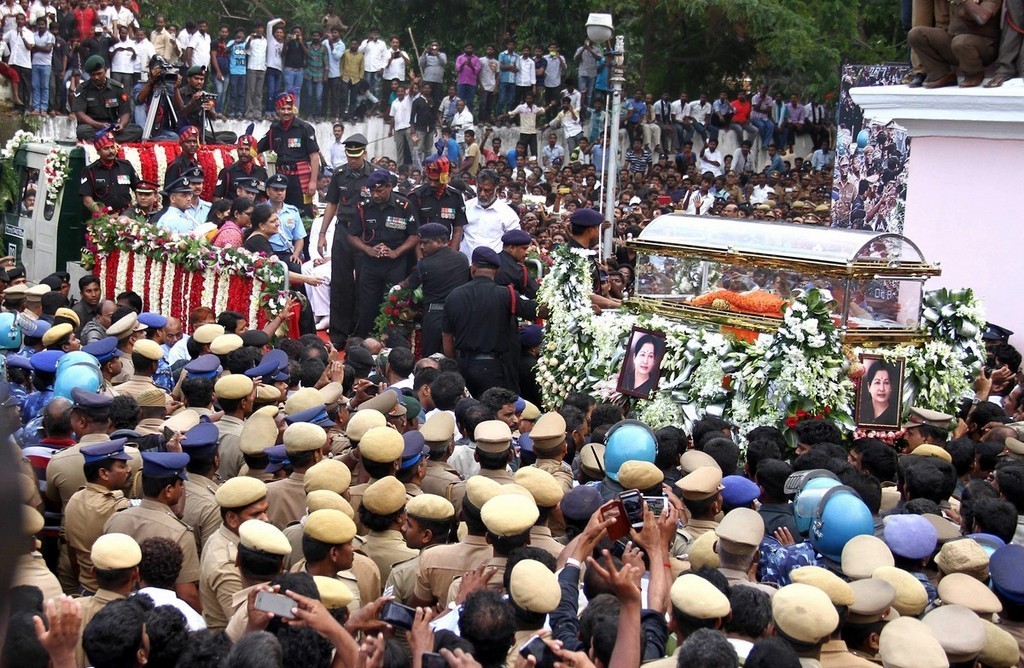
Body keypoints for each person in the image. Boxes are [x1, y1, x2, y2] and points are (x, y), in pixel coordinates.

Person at [443, 246, 537, 396]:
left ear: (473, 267)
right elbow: (535, 311)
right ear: (497, 270)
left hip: (464, 366)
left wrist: (454, 366)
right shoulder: (507, 295)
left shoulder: (454, 296)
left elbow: (447, 337)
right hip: (494, 368)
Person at [348, 169, 419, 337]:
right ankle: (366, 341)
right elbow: (351, 236)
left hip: (395, 263)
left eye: (379, 190)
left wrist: (396, 252)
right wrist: (367, 249)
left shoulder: (404, 206)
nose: (375, 195)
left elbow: (415, 235)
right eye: (372, 190)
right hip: (370, 263)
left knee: (394, 305)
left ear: (389, 187)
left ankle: (392, 340)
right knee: (368, 306)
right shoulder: (363, 207)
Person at [321, 132, 375, 346]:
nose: (353, 160)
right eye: (349, 156)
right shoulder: (339, 174)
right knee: (340, 282)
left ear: (364, 153)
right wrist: (322, 233)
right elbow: (332, 204)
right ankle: (338, 334)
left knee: (364, 282)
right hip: (343, 230)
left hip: (365, 233)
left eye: (357, 156)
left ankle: (360, 331)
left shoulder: (375, 175)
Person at [397, 223, 470, 357]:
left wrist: (397, 288)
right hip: (459, 315)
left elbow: (408, 285)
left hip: (435, 316)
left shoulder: (425, 264)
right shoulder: (462, 259)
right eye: (420, 243)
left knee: (431, 357)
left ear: (439, 242)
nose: (421, 247)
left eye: (425, 243)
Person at [907, 0, 1000, 88]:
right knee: (916, 34)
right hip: (956, 41)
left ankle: (974, 74)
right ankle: (941, 74)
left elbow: (983, 17)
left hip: (984, 45)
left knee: (960, 42)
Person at [256, 92, 320, 215]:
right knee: (280, 211)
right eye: (283, 109)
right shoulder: (274, 129)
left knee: (303, 213)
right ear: (277, 110)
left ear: (293, 109)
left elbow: (314, 156)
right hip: (281, 177)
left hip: (300, 179)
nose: (286, 112)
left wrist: (313, 182)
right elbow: (257, 148)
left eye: (289, 109)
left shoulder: (305, 128)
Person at [73, 54, 141, 141]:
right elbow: (80, 114)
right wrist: (98, 125)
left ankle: (102, 141)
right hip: (92, 126)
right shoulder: (82, 89)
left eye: (99, 73)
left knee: (137, 130)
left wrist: (121, 125)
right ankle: (110, 140)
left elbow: (126, 112)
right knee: (82, 131)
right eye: (93, 75)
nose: (96, 77)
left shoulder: (118, 88)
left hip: (112, 126)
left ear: (105, 70)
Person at [79, 127, 138, 214]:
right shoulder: (90, 171)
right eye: (106, 148)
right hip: (103, 217)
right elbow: (87, 200)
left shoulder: (126, 166)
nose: (111, 151)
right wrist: (103, 216)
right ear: (98, 152)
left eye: (112, 147)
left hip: (126, 215)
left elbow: (138, 188)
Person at [619, 332, 664, 397]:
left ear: (654, 360)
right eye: (642, 355)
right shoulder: (623, 380)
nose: (645, 361)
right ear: (634, 357)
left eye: (650, 356)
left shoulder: (655, 387)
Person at [858, 360, 899, 427]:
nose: (881, 389)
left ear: (891, 386)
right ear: (869, 387)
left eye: (886, 383)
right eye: (877, 382)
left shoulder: (896, 414)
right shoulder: (860, 411)